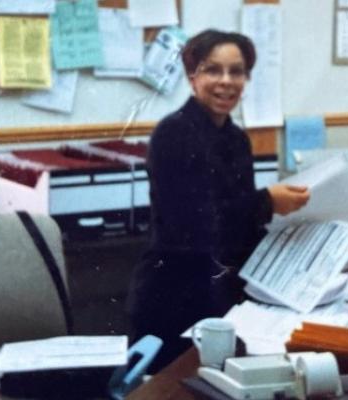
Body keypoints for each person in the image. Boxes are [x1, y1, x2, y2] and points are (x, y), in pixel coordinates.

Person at [126, 29, 310, 372]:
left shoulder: (237, 139)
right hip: (173, 299)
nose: (226, 82)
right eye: (213, 70)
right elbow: (195, 225)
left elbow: (242, 226)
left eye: (236, 71)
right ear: (192, 76)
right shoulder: (173, 134)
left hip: (225, 294)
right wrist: (267, 202)